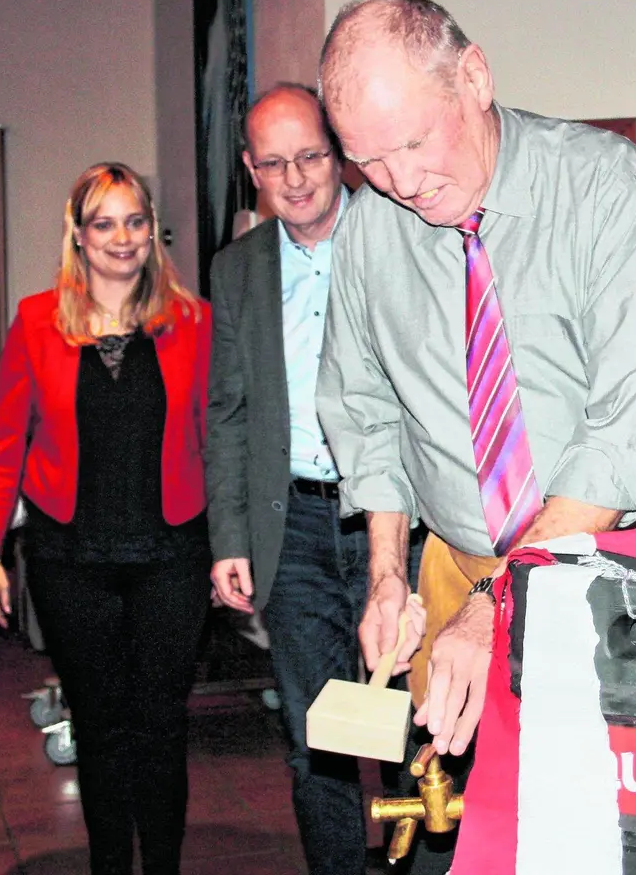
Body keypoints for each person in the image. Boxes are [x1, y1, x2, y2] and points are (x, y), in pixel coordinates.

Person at [315, 0, 636, 770]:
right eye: (369, 160)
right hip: (461, 573)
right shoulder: (369, 228)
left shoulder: (604, 187)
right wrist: (387, 573)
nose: (401, 182)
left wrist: (500, 605)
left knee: (619, 819)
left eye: (414, 143)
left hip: (621, 566)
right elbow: (366, 413)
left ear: (475, 78)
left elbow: (628, 438)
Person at [0, 162, 213, 875]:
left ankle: (162, 865)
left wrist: (232, 545)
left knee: (161, 728)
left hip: (172, 553)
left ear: (152, 232)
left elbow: (216, 436)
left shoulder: (192, 322)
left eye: (135, 220)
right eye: (103, 222)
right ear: (78, 235)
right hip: (68, 558)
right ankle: (110, 864)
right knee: (99, 727)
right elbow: (4, 443)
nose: (121, 237)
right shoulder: (35, 321)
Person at [205, 83, 420, 875]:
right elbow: (226, 410)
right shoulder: (238, 269)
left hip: (397, 523)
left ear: (338, 153)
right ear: (250, 169)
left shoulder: (404, 233)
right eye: (273, 164)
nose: (295, 179)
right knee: (319, 737)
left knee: (412, 727)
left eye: (309, 157)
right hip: (292, 526)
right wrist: (229, 535)